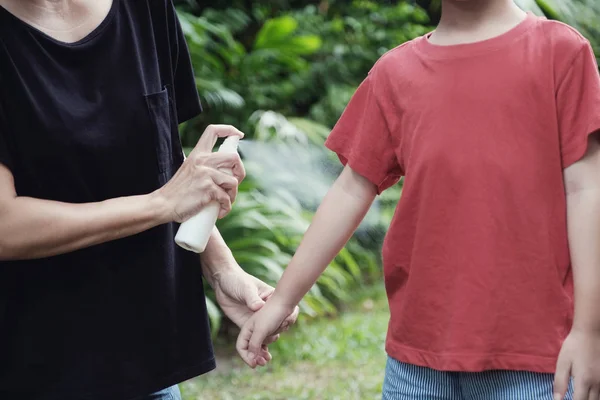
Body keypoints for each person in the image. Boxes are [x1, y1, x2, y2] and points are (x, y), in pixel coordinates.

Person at [236, 1, 600, 399]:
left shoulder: (560, 52)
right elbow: (351, 188)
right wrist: (282, 299)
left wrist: (588, 330)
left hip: (535, 361)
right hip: (416, 364)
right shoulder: (395, 72)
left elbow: (586, 190)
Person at [0, 0, 298, 399]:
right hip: (31, 366)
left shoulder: (145, 8)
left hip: (146, 363)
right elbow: (5, 224)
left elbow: (162, 161)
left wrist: (223, 272)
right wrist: (162, 203)